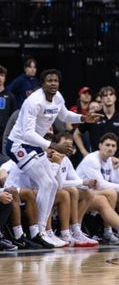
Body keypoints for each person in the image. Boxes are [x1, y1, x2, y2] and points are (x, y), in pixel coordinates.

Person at [5, 70, 100, 248]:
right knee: (47, 183)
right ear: (43, 83)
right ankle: (39, 232)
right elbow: (27, 133)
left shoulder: (58, 98)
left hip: (35, 145)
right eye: (49, 80)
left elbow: (64, 116)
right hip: (19, 145)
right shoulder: (34, 101)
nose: (53, 83)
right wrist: (54, 146)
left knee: (53, 184)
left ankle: (45, 232)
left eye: (56, 80)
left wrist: (83, 117)